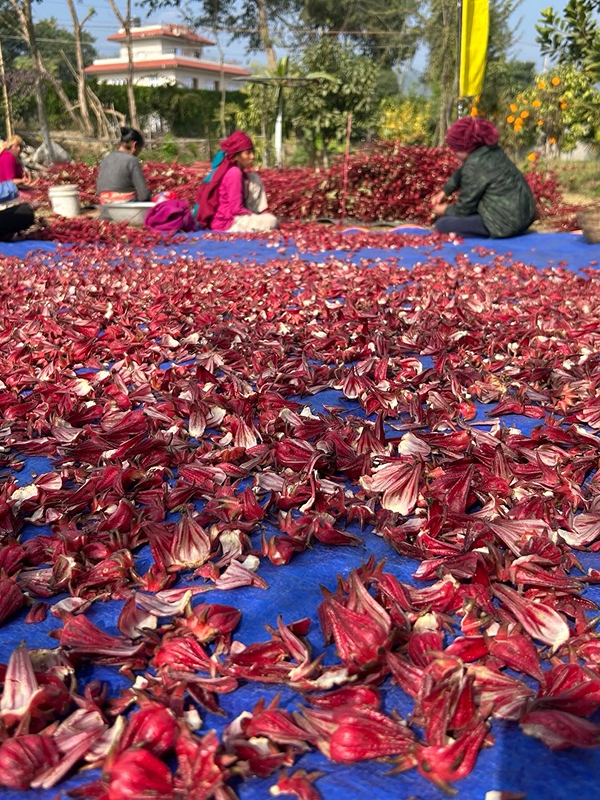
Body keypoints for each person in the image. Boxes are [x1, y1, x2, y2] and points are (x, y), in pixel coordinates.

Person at [432, 117, 536, 238]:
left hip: (504, 224)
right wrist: (445, 191)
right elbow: (460, 172)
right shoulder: (492, 151)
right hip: (525, 217)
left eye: (454, 149)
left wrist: (443, 210)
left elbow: (463, 209)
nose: (453, 152)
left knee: (443, 224)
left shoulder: (474, 166)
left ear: (464, 148)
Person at [196, 131, 277, 233]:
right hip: (227, 223)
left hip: (233, 218)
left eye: (252, 152)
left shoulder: (239, 173)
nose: (252, 157)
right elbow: (236, 210)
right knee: (271, 221)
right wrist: (254, 216)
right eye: (248, 153)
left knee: (253, 178)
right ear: (237, 156)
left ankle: (260, 215)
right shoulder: (234, 173)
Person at [96, 127, 150, 204]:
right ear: (134, 145)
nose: (138, 153)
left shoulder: (106, 158)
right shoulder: (132, 160)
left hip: (105, 205)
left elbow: (99, 190)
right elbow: (144, 196)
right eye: (139, 149)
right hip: (125, 206)